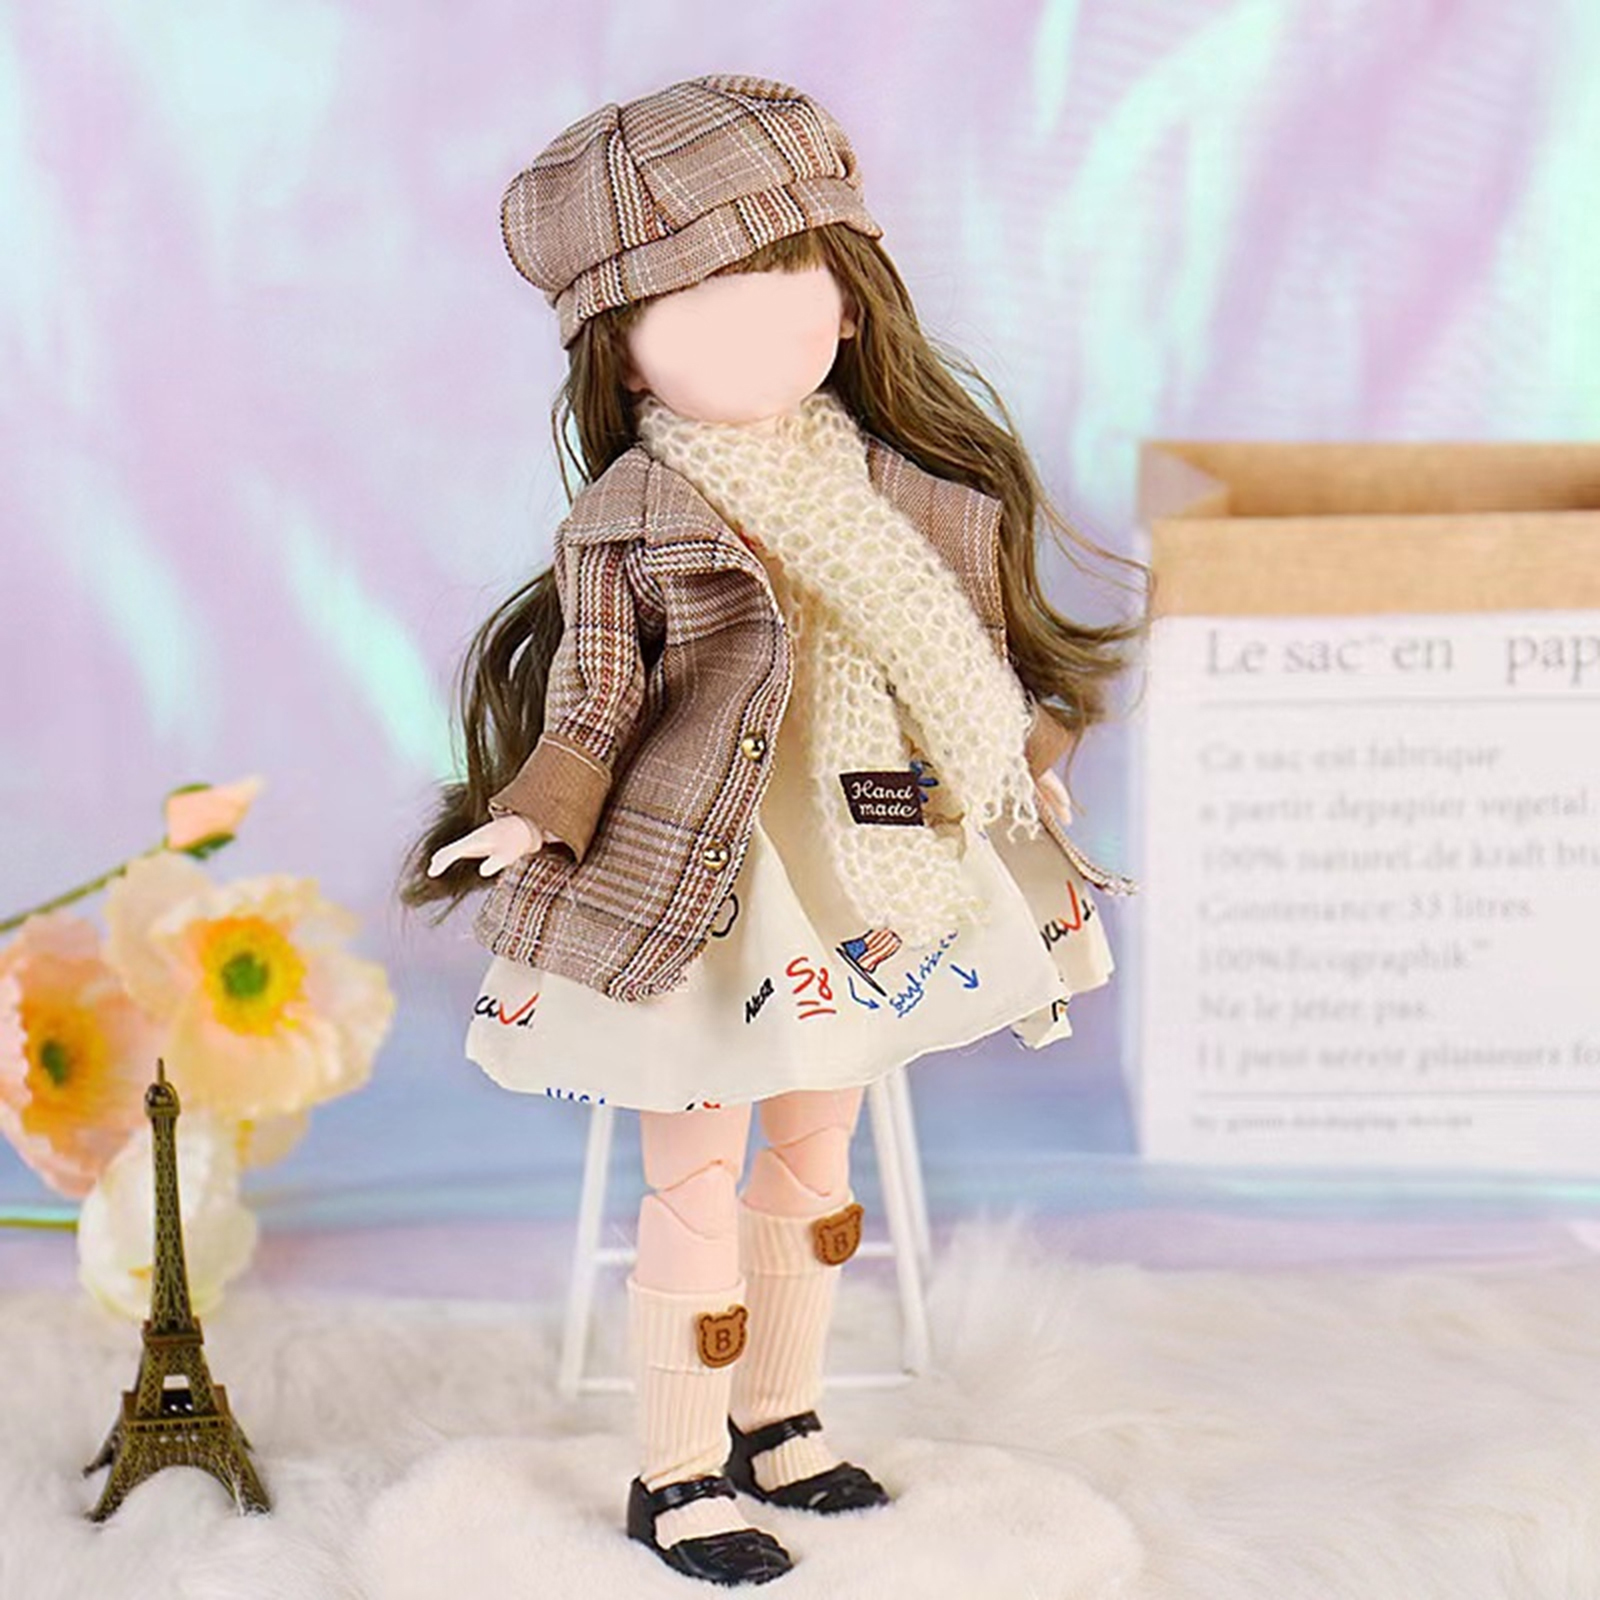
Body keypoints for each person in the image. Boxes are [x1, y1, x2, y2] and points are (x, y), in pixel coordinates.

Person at [404, 73, 1141, 1587]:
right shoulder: (630, 516)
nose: (739, 322)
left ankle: (781, 1419)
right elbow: (596, 700)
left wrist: (1023, 763)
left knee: (816, 1152)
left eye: (777, 273)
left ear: (850, 297)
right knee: (695, 1173)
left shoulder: (909, 493)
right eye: (681, 298)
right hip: (711, 876)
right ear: (617, 346)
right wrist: (532, 819)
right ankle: (674, 1472)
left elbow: (975, 665)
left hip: (871, 861)